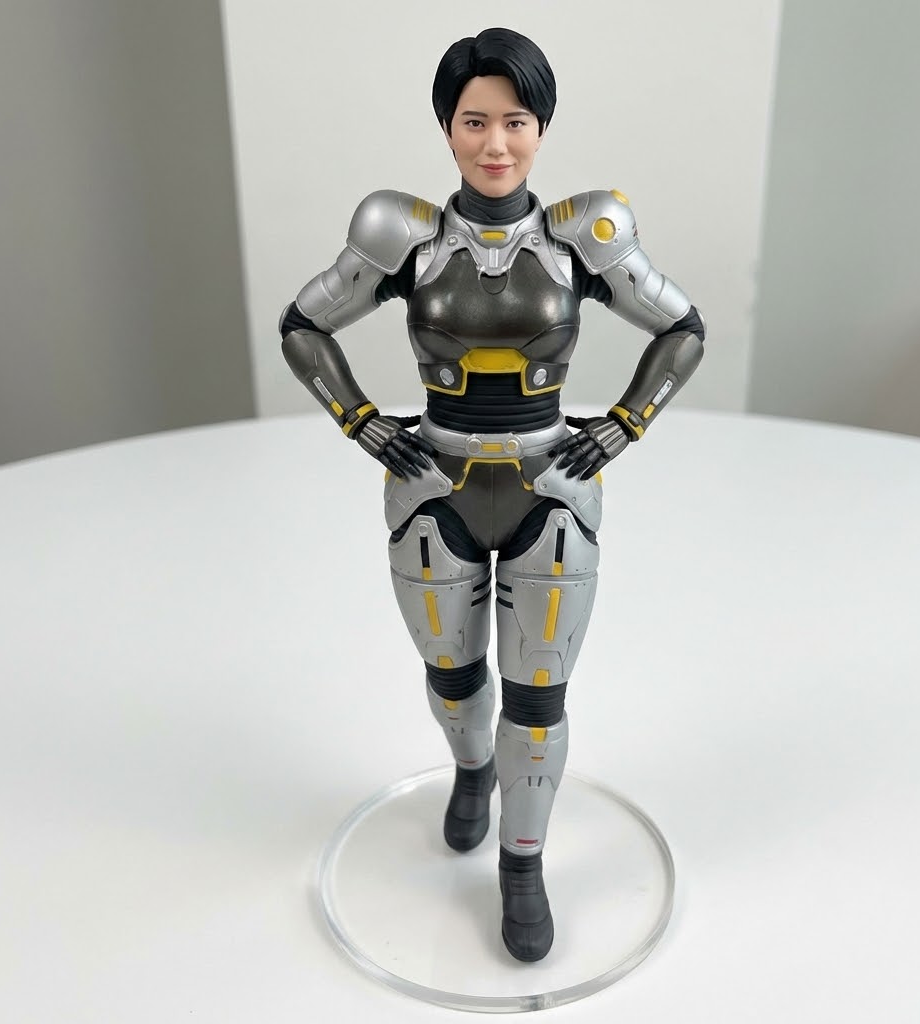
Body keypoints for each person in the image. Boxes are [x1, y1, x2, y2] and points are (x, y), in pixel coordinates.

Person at [279, 27, 704, 962]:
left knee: (538, 697)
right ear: (447, 127)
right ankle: (472, 771)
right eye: (475, 121)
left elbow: (682, 329)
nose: (496, 143)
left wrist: (624, 425)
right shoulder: (401, 235)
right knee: (454, 676)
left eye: (516, 121)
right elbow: (304, 324)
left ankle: (524, 863)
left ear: (542, 126)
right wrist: (361, 422)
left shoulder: (588, 236)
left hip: (552, 490)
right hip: (434, 487)